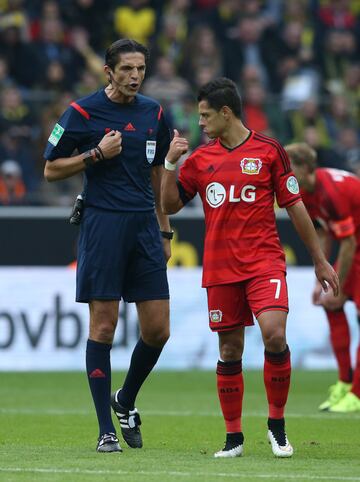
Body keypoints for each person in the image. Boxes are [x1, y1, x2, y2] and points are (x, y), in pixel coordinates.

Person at [161, 78, 339, 458]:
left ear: (226, 113)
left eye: (206, 116)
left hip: (264, 262)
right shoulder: (201, 160)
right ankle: (234, 438)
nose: (201, 123)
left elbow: (295, 206)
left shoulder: (270, 151)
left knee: (274, 335)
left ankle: (277, 427)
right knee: (229, 349)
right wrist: (170, 163)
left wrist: (320, 260)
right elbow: (171, 204)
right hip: (221, 267)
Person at [43, 39, 172, 453]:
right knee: (103, 327)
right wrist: (96, 153)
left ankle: (125, 399)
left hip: (145, 229)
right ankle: (105, 430)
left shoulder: (155, 112)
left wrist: (164, 228)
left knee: (158, 330)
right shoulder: (81, 112)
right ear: (108, 72)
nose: (135, 76)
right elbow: (50, 169)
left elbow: (157, 173)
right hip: (103, 226)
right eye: (127, 69)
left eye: (141, 69)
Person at [285, 143, 360, 413]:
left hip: (356, 245)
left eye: (290, 169)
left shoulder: (331, 193)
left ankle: (357, 394)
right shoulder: (306, 192)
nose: (287, 175)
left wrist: (337, 287)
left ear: (306, 168)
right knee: (331, 304)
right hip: (355, 245)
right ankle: (345, 382)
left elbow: (348, 243)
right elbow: (325, 233)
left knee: (342, 304)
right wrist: (323, 278)